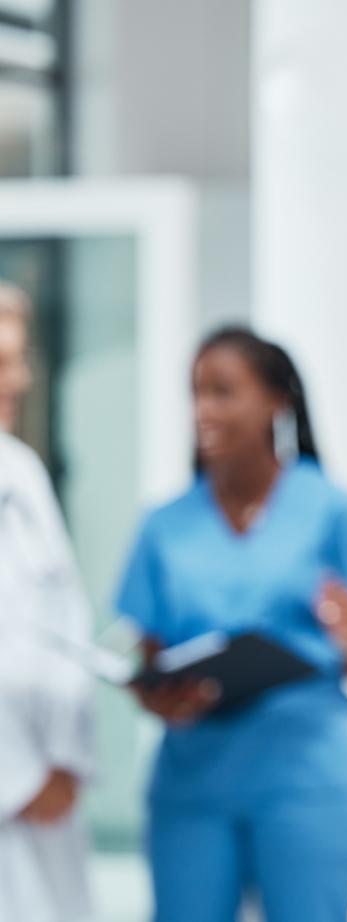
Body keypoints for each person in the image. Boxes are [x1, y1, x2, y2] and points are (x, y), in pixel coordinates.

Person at [116, 326, 347, 922]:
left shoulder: (330, 509)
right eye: (195, 393)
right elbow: (147, 658)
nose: (202, 410)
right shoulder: (164, 526)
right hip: (193, 784)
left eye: (222, 392)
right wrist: (158, 697)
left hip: (304, 779)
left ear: (276, 401)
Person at [0, 282, 95, 921]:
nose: (24, 377)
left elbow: (64, 619)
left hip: (49, 786)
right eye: (5, 362)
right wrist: (20, 775)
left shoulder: (21, 470)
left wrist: (65, 759)